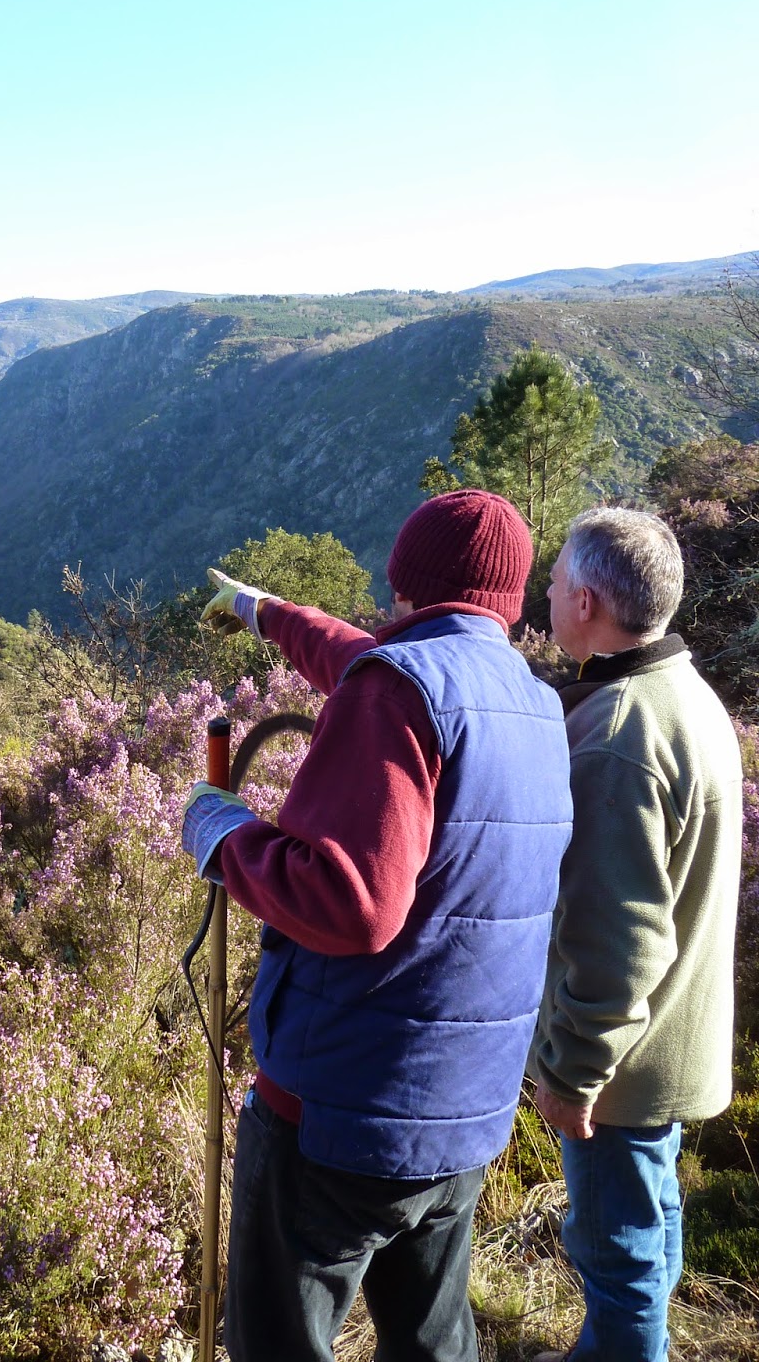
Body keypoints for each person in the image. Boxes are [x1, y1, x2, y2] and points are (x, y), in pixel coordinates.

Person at [181, 489, 574, 1362]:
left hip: (340, 1112)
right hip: (464, 1116)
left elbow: (350, 903)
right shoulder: (532, 704)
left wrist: (223, 835)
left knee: (279, 1345)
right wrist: (264, 611)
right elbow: (371, 665)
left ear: (403, 583)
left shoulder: (398, 692)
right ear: (509, 599)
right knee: (433, 1344)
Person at [530, 508, 743, 1362]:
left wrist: (573, 1073)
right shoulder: (685, 693)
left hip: (621, 1066)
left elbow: (618, 943)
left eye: (555, 582)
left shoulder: (618, 737)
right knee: (651, 1220)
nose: (546, 594)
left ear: (586, 602)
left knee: (614, 1246)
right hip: (671, 1042)